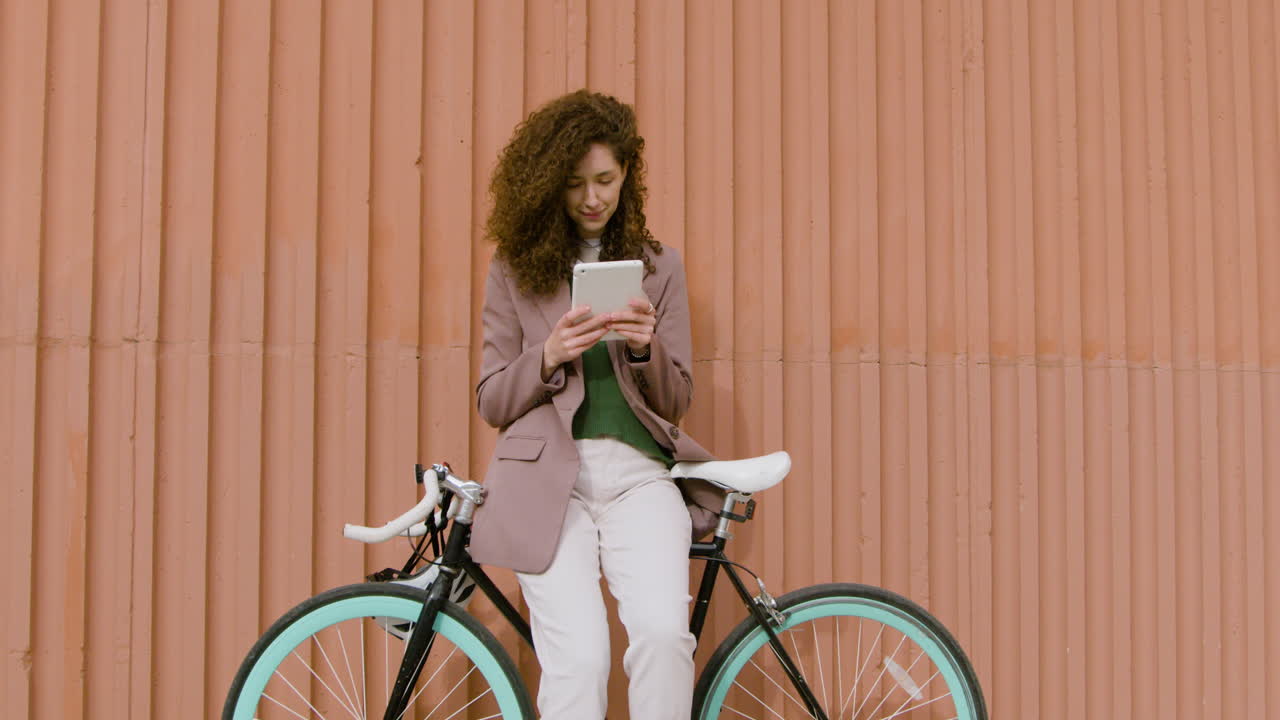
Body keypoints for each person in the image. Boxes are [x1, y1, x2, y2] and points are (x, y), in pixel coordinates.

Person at [468, 89, 723, 719]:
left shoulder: (661, 268)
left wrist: (645, 348)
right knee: (579, 661)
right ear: (550, 185)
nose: (592, 198)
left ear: (627, 175)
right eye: (576, 183)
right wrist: (549, 354)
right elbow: (492, 398)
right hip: (548, 486)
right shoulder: (514, 270)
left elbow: (678, 398)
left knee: (665, 638)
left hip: (639, 479)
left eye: (606, 180)